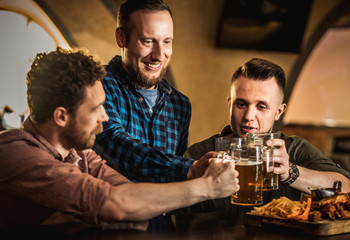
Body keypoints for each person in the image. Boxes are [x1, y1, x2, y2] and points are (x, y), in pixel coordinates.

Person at [0, 48, 239, 229]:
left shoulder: (80, 153)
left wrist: (107, 210)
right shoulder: (15, 153)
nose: (104, 117)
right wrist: (208, 187)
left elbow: (131, 200)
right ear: (61, 116)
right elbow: (119, 205)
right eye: (95, 109)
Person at [184, 58, 350, 211]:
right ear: (230, 104)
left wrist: (291, 173)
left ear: (279, 112)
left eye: (261, 106)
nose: (248, 116)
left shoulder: (294, 149)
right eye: (242, 104)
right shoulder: (200, 154)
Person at [95, 0, 209, 183]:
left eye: (166, 41)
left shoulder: (180, 104)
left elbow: (176, 180)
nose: (159, 54)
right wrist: (190, 168)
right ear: (121, 38)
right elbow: (116, 144)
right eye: (148, 41)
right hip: (110, 209)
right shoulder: (96, 83)